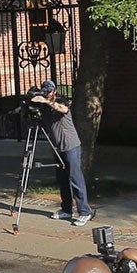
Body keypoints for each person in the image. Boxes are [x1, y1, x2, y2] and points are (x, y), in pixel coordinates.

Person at [28, 80, 92, 225]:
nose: (46, 94)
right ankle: (66, 210)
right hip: (57, 148)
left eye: (48, 92)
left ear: (54, 92)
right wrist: (35, 98)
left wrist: (47, 101)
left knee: (75, 178)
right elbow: (33, 104)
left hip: (71, 146)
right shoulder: (43, 106)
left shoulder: (60, 101)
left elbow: (63, 109)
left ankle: (84, 212)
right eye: (44, 92)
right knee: (62, 180)